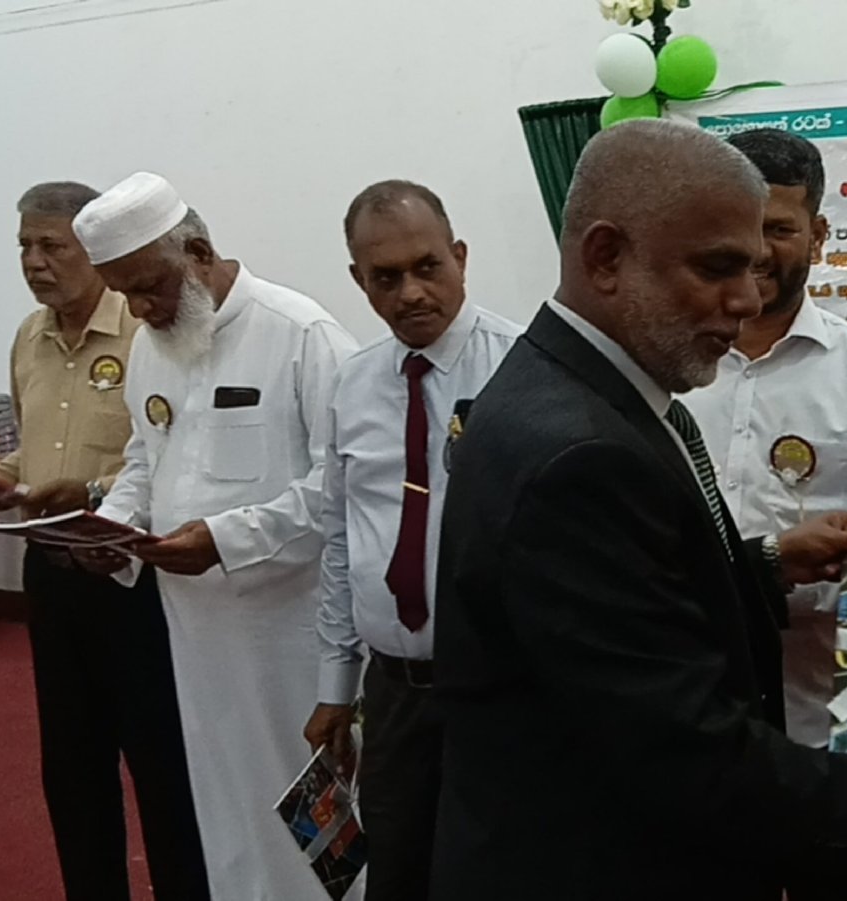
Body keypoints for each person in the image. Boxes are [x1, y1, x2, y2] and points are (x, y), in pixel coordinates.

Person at [429, 119, 847, 900]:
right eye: (718, 267)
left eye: (757, 261)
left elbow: (636, 600)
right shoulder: (581, 452)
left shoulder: (586, 392)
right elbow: (677, 744)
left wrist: (765, 564)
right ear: (606, 257)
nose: (748, 297)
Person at [69, 171, 358, 900]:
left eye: (149, 287)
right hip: (197, 639)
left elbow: (341, 486)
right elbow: (145, 456)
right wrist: (114, 527)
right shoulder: (153, 346)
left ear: (197, 251)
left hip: (291, 641)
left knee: (316, 816)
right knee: (227, 809)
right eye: (125, 295)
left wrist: (225, 540)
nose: (141, 310)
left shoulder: (301, 334)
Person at [682, 128, 847, 900]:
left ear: (820, 233)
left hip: (826, 738)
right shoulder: (674, 367)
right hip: (690, 726)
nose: (758, 251)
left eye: (779, 227)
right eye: (741, 228)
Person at [0, 182, 208, 901]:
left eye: (52, 245)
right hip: (52, 577)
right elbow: (38, 452)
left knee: (163, 766)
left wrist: (95, 494)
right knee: (72, 767)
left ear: (94, 249)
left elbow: (172, 456)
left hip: (133, 580)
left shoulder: (149, 329)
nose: (34, 262)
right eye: (24, 246)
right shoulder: (29, 337)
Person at [304, 180, 522, 900]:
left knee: (495, 878)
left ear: (460, 256)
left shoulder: (523, 371)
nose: (411, 293)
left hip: (500, 691)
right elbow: (342, 539)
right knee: (396, 876)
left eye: (428, 267)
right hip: (394, 691)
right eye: (385, 278)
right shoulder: (353, 384)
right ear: (359, 281)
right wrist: (336, 687)